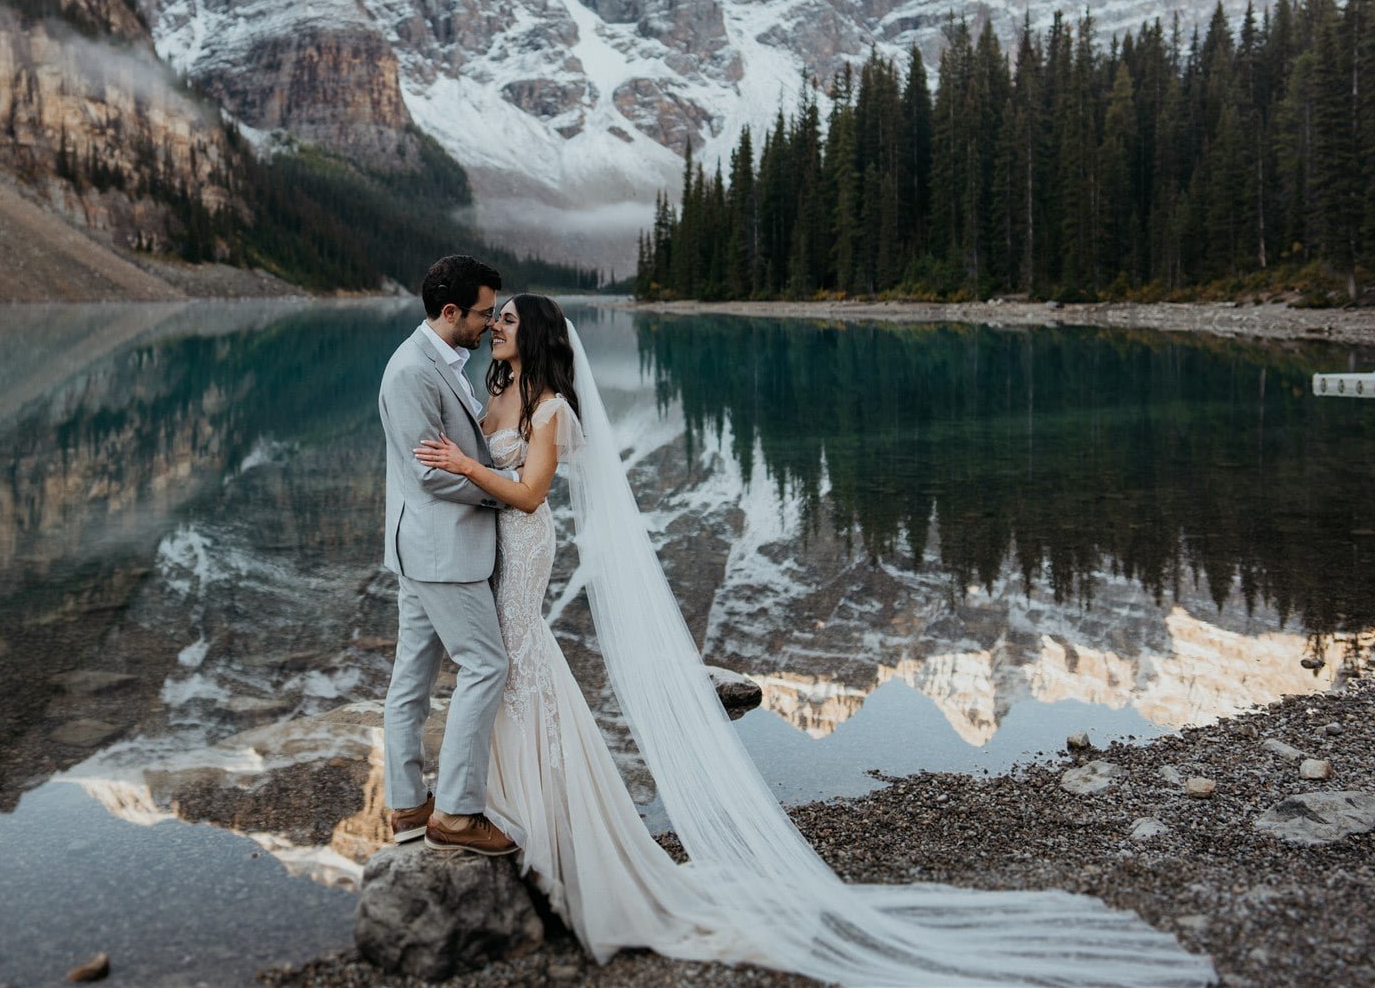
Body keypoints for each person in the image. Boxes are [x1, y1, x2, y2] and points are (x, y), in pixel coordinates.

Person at [413, 293, 1216, 986]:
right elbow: (479, 453)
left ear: (540, 334)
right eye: (496, 319)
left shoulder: (553, 409)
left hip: (524, 543)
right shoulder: (502, 387)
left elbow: (526, 493)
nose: (498, 328)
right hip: (493, 550)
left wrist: (463, 464)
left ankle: (532, 819)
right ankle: (495, 797)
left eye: (510, 321)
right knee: (508, 663)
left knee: (516, 658)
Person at [377, 254, 521, 856]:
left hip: (424, 548)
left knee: (412, 677)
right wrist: (505, 497)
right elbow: (432, 476)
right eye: (485, 313)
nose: (492, 325)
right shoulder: (412, 371)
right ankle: (458, 812)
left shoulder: (443, 360)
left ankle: (408, 804)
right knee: (487, 666)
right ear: (452, 311)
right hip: (442, 549)